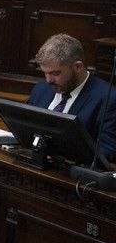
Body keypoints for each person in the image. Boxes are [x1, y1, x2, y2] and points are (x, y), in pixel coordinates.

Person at [28, 33, 116, 161]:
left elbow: (107, 152)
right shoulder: (41, 88)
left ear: (77, 67)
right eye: (45, 73)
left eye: (55, 73)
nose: (48, 80)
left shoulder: (109, 98)